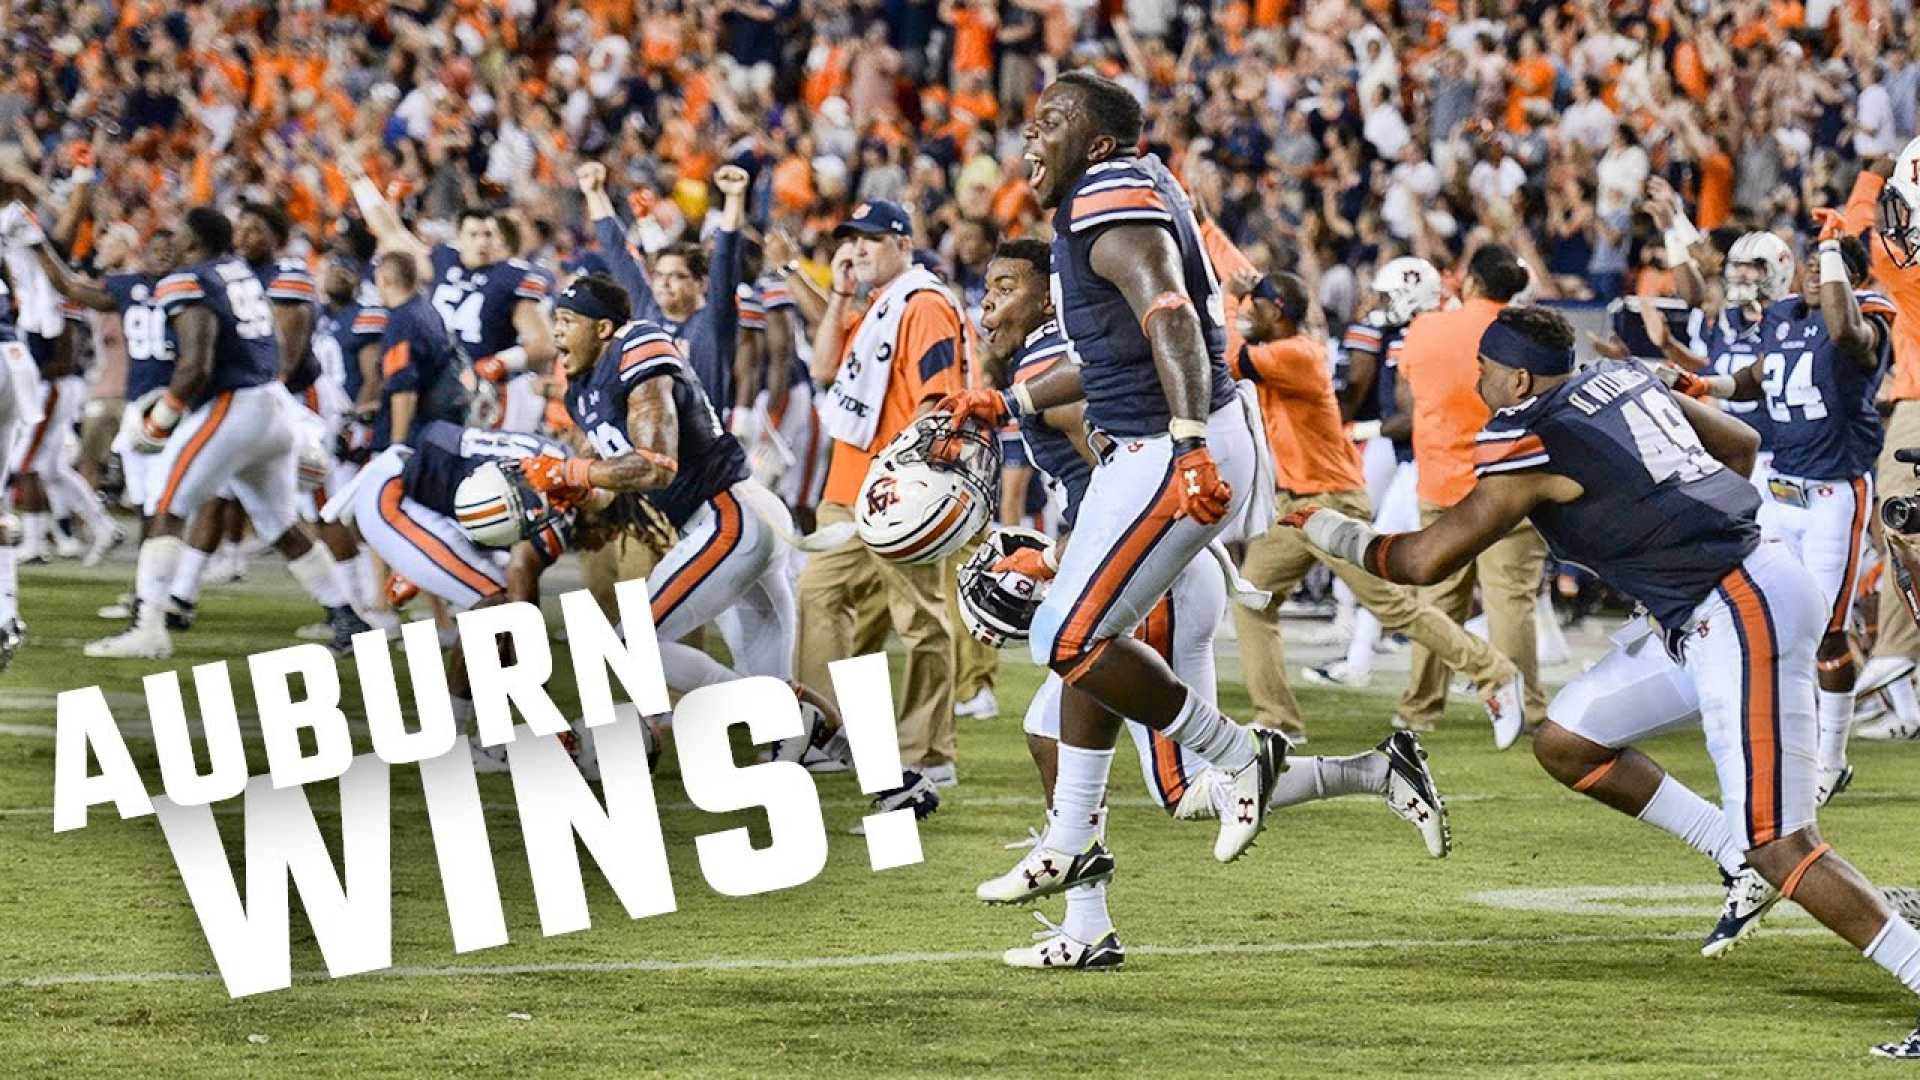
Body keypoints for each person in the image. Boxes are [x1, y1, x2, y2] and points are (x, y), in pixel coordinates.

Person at [1286, 305, 1920, 1061]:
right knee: (1570, 739)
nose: (1478, 380)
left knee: (1782, 844)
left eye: (1484, 368)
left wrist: (1327, 528)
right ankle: (1727, 850)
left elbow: (1423, 561)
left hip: (1736, 605)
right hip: (1716, 600)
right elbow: (1741, 444)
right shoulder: (1619, 377)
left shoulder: (1533, 431)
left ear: (1517, 376)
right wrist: (1672, 541)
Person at [976, 239, 1450, 970]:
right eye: (985, 288)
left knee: (1183, 783)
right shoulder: (1051, 356)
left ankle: (1089, 914)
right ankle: (1378, 771)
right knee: (1055, 730)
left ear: (1048, 299)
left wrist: (1051, 561)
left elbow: (1120, 480)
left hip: (1148, 582)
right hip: (1162, 572)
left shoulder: (1046, 362)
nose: (987, 304)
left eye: (1005, 286)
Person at [943, 72, 1288, 900]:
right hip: (1164, 438)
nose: (1032, 138)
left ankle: (1240, 754)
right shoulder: (1116, 187)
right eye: (1031, 119)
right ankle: (1072, 846)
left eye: (1051, 122)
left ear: (1097, 143)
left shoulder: (1109, 192)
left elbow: (1167, 310)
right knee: (1075, 653)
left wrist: (1191, 441)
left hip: (1171, 441)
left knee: (1065, 640)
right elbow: (1106, 355)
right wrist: (1011, 401)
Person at [1219, 266, 1526, 746]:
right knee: (1251, 596)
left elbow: (1228, 358)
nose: (1244, 312)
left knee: (1393, 606)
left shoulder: (1296, 353)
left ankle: (1496, 673)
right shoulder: (1287, 346)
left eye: (1252, 305)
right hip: (1295, 505)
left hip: (1330, 504)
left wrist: (1224, 295)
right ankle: (1277, 719)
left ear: (1275, 310)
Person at [1666, 229, 1893, 805]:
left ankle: (1831, 757)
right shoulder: (1786, 314)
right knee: (1766, 613)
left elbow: (1846, 333)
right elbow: (1760, 376)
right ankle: (1786, 741)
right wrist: (1708, 384)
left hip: (1832, 493)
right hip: (1781, 488)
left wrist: (1840, 253)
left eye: (1832, 265)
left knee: (1823, 629)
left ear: (1853, 278)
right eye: (1813, 262)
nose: (1816, 272)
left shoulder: (1867, 314)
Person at [81, 207, 368, 659]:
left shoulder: (188, 279)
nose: (168, 243)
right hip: (271, 404)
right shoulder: (238, 273)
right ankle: (347, 617)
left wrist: (163, 420)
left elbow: (196, 363)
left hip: (234, 405)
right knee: (280, 524)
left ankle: (150, 626)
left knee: (163, 506)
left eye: (176, 235)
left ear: (192, 241)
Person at [797, 198, 971, 787]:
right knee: (818, 594)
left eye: (872, 239)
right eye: (853, 239)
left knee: (919, 619)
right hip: (848, 489)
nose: (860, 249)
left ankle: (929, 752)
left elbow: (938, 396)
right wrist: (839, 294)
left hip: (898, 496)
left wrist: (911, 483)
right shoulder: (876, 306)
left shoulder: (921, 304)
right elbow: (824, 368)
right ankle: (825, 731)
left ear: (904, 243)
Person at [1395, 243, 1548, 732]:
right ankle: (1525, 709)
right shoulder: (1530, 333)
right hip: (1512, 484)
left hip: (1442, 484)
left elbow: (1407, 394)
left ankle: (1421, 709)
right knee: (1511, 604)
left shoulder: (1427, 327)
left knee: (1436, 606)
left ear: (1469, 281)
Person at [347, 168, 556, 433]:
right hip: (429, 377)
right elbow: (392, 234)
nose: (482, 242)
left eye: (489, 234)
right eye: (474, 234)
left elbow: (544, 344)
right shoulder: (443, 261)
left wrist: (501, 362)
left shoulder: (511, 277)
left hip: (473, 391)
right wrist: (360, 184)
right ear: (459, 237)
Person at [577, 161, 747, 415]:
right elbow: (617, 252)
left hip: (702, 448)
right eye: (659, 275)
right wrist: (594, 192)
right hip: (653, 440)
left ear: (700, 283)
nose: (664, 283)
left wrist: (734, 198)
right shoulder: (648, 308)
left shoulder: (714, 322)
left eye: (677, 276)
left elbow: (724, 261)